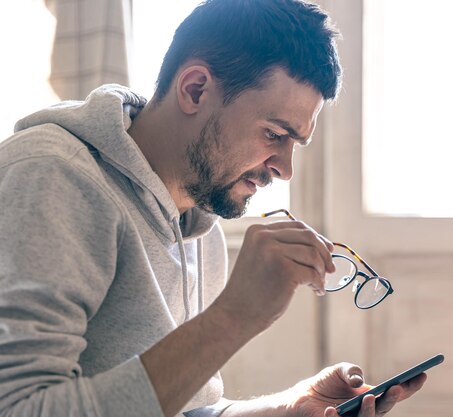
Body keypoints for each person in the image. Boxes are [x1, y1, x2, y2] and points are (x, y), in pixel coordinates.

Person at [0, 0, 427, 416]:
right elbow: (20, 407)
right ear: (195, 89)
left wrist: (288, 408)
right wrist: (234, 318)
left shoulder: (201, 225)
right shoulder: (52, 177)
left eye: (294, 143)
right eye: (274, 134)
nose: (284, 169)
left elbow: (185, 409)